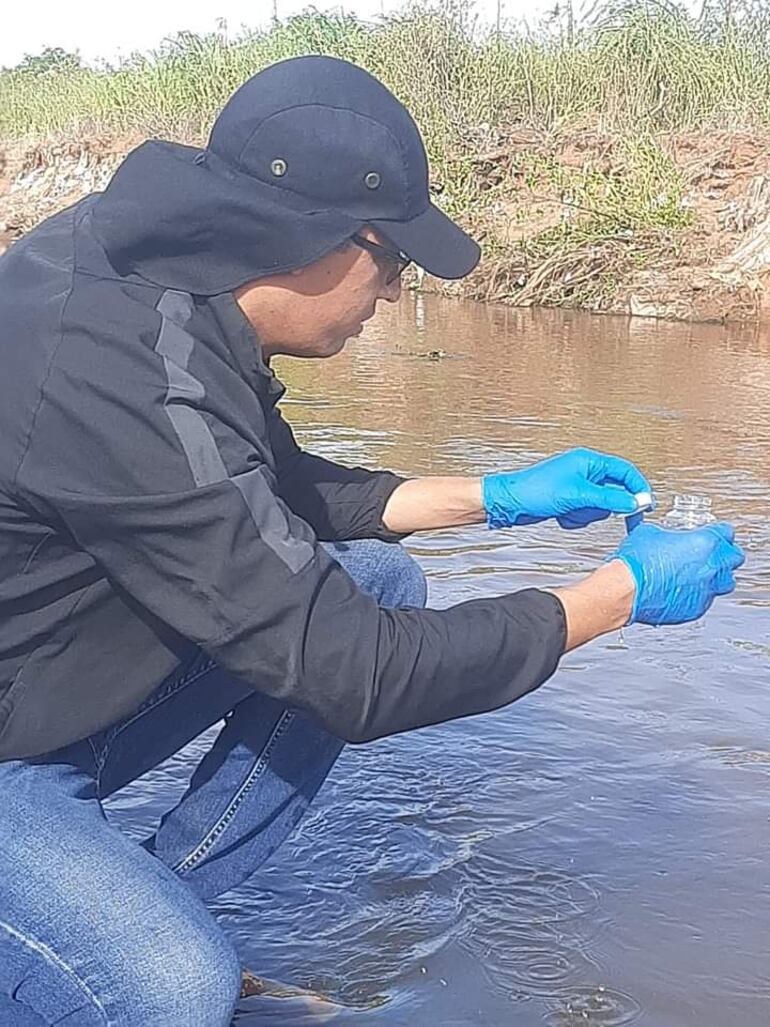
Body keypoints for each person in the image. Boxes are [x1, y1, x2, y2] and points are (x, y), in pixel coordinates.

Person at [0, 55, 744, 1026]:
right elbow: (352, 672)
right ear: (325, 237)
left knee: (380, 579)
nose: (392, 294)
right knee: (172, 991)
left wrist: (500, 496)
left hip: (38, 691)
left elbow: (275, 490)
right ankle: (94, 960)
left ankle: (146, 902)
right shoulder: (121, 369)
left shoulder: (164, 272)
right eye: (392, 262)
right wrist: (617, 595)